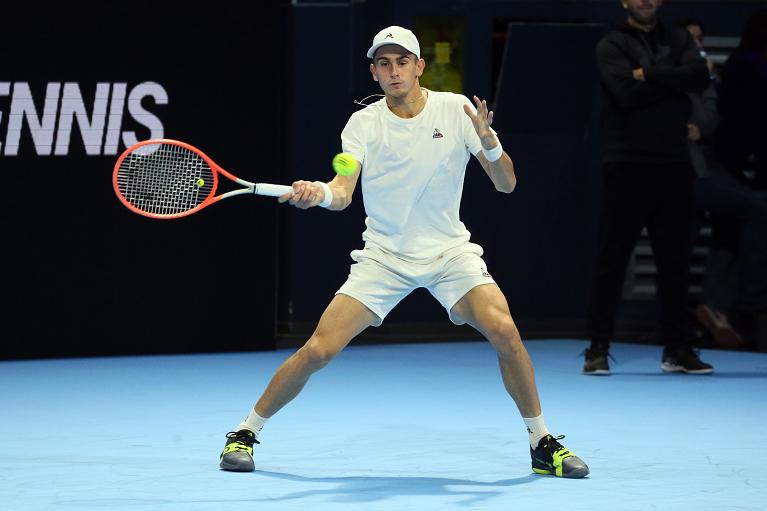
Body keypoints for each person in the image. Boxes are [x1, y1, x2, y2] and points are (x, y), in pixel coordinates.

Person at [219, 25, 589, 478]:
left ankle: (541, 442)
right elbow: (342, 190)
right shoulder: (362, 124)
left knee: (505, 332)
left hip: (450, 253)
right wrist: (315, 191)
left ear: (419, 67)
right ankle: (244, 432)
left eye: (401, 62)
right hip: (384, 258)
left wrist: (490, 144)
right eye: (383, 64)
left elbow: (507, 184)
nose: (393, 71)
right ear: (374, 73)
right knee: (318, 350)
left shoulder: (457, 111)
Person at [583, 0, 714, 375]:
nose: (645, 1)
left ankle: (678, 349)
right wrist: (673, 77)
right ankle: (597, 348)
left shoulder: (678, 37)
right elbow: (624, 94)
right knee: (612, 259)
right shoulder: (611, 43)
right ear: (625, 2)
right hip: (625, 164)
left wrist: (648, 74)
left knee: (676, 263)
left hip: (675, 165)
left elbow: (701, 76)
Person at [674, 17, 746, 349]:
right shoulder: (671, 75)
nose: (698, 44)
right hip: (676, 176)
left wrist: (699, 127)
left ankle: (713, 307)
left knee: (734, 222)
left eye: (700, 38)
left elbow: (710, 121)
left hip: (708, 172)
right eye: (692, 39)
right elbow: (678, 124)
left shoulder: (705, 76)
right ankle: (680, 333)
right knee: (676, 254)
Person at [713, 9, 767, 351]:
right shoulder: (749, 65)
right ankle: (749, 306)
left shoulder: (742, 63)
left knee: (729, 229)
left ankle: (718, 309)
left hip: (742, 169)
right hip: (722, 167)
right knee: (756, 214)